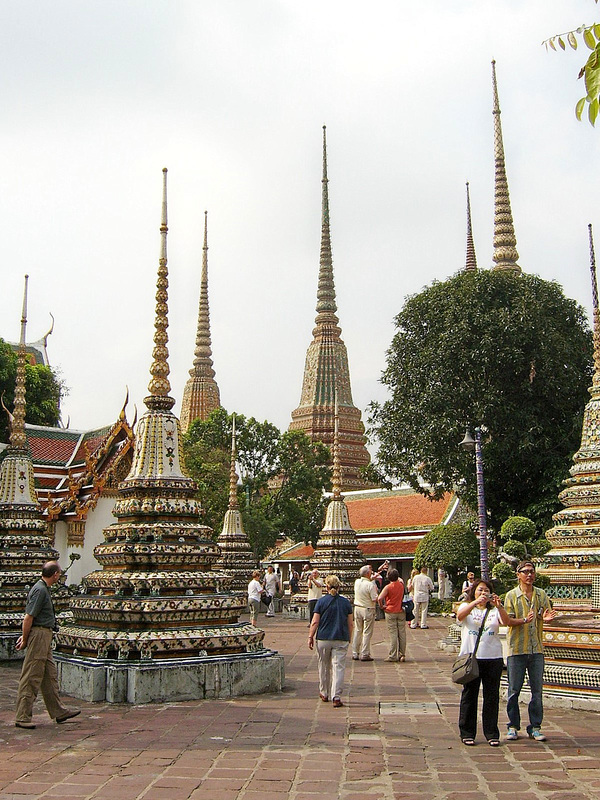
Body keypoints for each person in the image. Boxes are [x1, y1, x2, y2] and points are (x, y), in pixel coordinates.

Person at [15, 562, 80, 729]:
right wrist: (24, 638)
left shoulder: (43, 588)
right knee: (32, 674)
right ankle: (22, 716)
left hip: (45, 634)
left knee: (49, 675)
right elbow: (28, 617)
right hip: (39, 634)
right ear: (56, 575)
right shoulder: (40, 590)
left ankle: (58, 710)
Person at [504, 561, 556, 742]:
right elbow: (508, 621)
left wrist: (547, 619)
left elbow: (545, 614)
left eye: (532, 572)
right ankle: (512, 725)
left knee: (537, 691)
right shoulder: (511, 596)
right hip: (517, 648)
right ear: (518, 575)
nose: (529, 575)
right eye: (525, 572)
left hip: (536, 649)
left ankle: (535, 726)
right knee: (513, 690)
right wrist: (524, 620)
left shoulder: (540, 595)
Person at [456, 579, 511, 747]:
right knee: (469, 696)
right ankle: (467, 732)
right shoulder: (466, 606)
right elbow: (460, 616)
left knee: (491, 697)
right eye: (480, 590)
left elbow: (506, 622)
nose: (483, 593)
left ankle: (491, 733)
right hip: (472, 658)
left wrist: (499, 606)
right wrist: (474, 602)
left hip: (492, 657)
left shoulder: (494, 611)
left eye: (486, 591)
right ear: (474, 591)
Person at [308, 574, 354, 708]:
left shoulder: (321, 602)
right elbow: (350, 624)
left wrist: (310, 636)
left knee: (323, 666)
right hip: (341, 637)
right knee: (338, 667)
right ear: (339, 587)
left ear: (326, 587)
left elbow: (315, 621)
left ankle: (324, 692)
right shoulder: (345, 602)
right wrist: (349, 637)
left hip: (323, 638)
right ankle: (336, 696)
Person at [378, 568, 406, 662]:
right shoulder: (401, 585)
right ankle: (402, 654)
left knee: (393, 634)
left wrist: (382, 606)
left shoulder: (388, 587)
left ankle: (393, 655)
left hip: (390, 611)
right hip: (400, 610)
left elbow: (379, 598)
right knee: (402, 633)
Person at [352, 564, 379, 661]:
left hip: (357, 607)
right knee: (367, 632)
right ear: (368, 574)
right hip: (367, 608)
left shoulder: (357, 582)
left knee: (357, 630)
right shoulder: (370, 585)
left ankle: (355, 652)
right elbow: (374, 598)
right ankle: (365, 653)